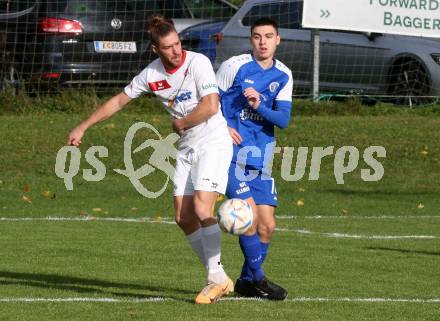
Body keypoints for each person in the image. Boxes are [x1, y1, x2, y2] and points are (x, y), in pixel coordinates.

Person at [68, 15, 233, 304]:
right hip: (187, 148)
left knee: (201, 207)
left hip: (214, 142)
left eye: (178, 44)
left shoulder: (198, 63)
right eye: (168, 47)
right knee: (183, 218)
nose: (176, 51)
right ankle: (218, 274)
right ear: (156, 49)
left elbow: (210, 106)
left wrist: (182, 123)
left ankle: (215, 278)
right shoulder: (151, 75)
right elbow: (119, 101)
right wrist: (83, 126)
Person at [216, 17, 293, 300]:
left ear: (278, 40)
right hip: (231, 156)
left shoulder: (284, 74)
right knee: (247, 218)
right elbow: (209, 101)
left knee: (267, 226)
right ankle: (260, 279)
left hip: (260, 157)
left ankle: (247, 281)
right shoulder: (234, 67)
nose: (263, 42)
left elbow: (283, 120)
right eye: (258, 36)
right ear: (251, 40)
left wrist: (260, 105)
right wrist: (223, 126)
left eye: (269, 36)